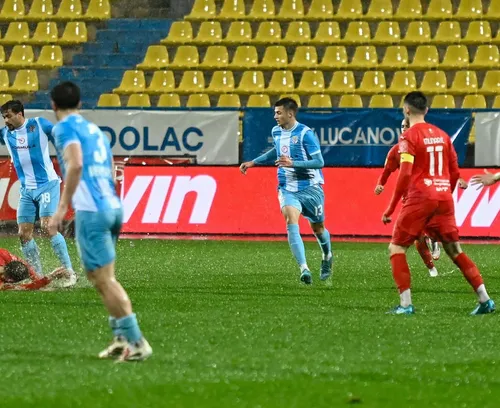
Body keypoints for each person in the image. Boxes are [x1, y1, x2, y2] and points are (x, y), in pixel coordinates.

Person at [48, 81, 152, 362]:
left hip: (92, 211)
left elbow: (76, 163)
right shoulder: (94, 130)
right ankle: (120, 338)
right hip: (112, 206)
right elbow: (108, 167)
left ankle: (137, 342)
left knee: (104, 280)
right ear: (80, 104)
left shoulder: (63, 128)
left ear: (53, 105)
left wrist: (61, 209)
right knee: (102, 278)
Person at [382, 91, 494, 315]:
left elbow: (405, 174)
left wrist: (391, 207)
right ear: (426, 110)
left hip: (420, 196)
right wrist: (444, 195)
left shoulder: (408, 137)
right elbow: (454, 173)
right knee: (454, 250)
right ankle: (485, 300)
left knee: (396, 247)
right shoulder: (443, 136)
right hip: (444, 197)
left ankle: (405, 305)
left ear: (406, 110)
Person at [239, 97, 332, 284]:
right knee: (291, 220)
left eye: (278, 113)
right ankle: (304, 268)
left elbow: (319, 162)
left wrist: (293, 163)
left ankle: (327, 255)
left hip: (310, 187)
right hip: (286, 186)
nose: (275, 116)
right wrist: (254, 162)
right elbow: (277, 150)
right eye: (275, 113)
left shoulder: (305, 134)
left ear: (290, 114)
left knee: (318, 228)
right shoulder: (276, 131)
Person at [0, 100, 76, 287]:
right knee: (23, 233)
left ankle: (69, 271)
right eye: (3, 117)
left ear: (19, 114)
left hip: (47, 185)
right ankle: (37, 276)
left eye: (8, 116)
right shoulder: (5, 134)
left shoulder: (39, 124)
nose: (5, 121)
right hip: (26, 190)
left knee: (48, 226)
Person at [0, 248, 69, 290]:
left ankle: (66, 272)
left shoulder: (23, 267)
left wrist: (50, 277)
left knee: (38, 282)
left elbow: (33, 284)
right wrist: (51, 277)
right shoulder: (3, 256)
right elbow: (22, 288)